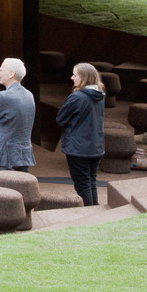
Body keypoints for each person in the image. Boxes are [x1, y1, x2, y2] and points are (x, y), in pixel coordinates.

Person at [55, 62, 107, 205]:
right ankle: (95, 211)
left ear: (84, 78)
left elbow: (60, 119)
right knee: (91, 182)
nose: (72, 78)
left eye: (75, 75)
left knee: (82, 185)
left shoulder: (77, 97)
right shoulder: (100, 95)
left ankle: (89, 215)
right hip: (96, 145)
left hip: (79, 148)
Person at [0, 57, 37, 173]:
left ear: (11, 74)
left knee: (4, 189)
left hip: (5, 154)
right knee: (22, 189)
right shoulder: (29, 95)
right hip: (23, 153)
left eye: (1, 70)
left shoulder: (4, 96)